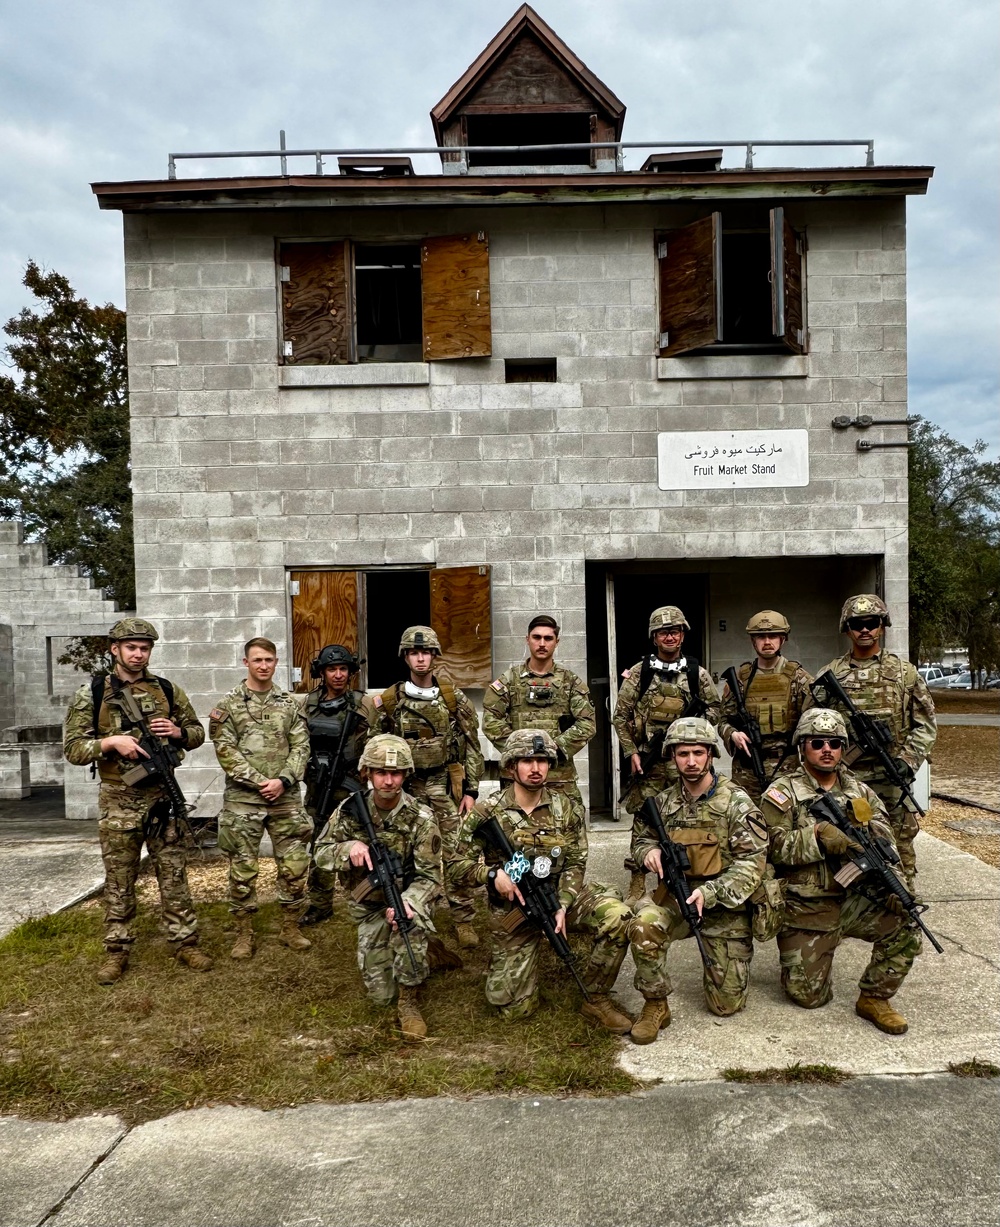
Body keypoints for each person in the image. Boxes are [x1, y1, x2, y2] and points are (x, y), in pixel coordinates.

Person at [449, 729, 633, 1032]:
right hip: (513, 911)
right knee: (513, 1009)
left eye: (542, 761)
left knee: (618, 916)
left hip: (557, 896)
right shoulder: (487, 811)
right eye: (527, 761)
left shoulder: (567, 807)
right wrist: (492, 875)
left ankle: (596, 996)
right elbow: (456, 866)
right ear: (511, 767)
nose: (536, 768)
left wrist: (563, 904)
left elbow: (576, 860)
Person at [63, 618, 213, 984]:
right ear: (114, 649)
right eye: (131, 647)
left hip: (162, 797)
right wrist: (110, 744)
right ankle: (117, 950)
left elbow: (197, 733)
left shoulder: (167, 689)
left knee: (174, 873)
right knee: (119, 877)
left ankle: (185, 942)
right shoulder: (93, 692)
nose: (138, 653)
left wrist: (178, 732)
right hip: (118, 799)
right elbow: (72, 749)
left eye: (144, 648)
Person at [761, 708, 923, 1034]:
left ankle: (875, 997)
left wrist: (899, 887)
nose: (827, 750)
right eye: (817, 742)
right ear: (802, 747)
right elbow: (768, 848)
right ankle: (813, 955)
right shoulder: (782, 793)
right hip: (807, 906)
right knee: (809, 997)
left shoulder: (861, 792)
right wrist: (816, 837)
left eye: (834, 743)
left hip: (854, 900)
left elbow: (886, 844)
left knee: (907, 921)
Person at [626, 717, 766, 1044]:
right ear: (672, 757)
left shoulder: (736, 802)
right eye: (682, 754)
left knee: (725, 1004)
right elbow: (640, 840)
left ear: (712, 755)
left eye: (698, 753)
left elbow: (752, 863)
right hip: (676, 897)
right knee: (643, 924)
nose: (691, 761)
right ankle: (655, 1003)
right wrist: (648, 853)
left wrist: (710, 893)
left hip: (723, 904)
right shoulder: (661, 803)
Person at [314, 734, 441, 1041]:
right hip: (368, 906)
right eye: (380, 772)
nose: (388, 781)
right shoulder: (348, 810)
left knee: (406, 927)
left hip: (407, 901)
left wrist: (409, 902)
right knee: (379, 997)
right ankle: (434, 954)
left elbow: (431, 878)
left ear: (405, 775)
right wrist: (349, 849)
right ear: (367, 773)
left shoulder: (421, 818)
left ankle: (409, 1002)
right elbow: (319, 853)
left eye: (395, 773)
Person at [810, 594, 937, 889]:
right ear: (847, 628)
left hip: (891, 779)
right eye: (857, 624)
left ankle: (904, 905)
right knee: (846, 843)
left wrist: (906, 761)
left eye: (871, 623)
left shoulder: (905, 674)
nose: (864, 629)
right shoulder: (832, 675)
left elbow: (925, 725)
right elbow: (813, 725)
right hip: (844, 778)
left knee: (899, 844)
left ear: (882, 626)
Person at [369, 626, 484, 949]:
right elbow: (375, 747)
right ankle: (415, 915)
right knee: (408, 856)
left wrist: (471, 791)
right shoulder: (391, 700)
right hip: (406, 789)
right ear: (405, 656)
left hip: (444, 786)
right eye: (414, 653)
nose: (420, 658)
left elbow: (473, 746)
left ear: (434, 656)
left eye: (426, 652)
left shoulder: (452, 698)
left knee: (456, 853)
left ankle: (463, 917)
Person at [209, 637, 312, 959]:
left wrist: (282, 781)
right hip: (244, 801)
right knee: (242, 869)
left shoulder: (289, 703)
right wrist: (260, 782)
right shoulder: (228, 705)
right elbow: (226, 751)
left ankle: (290, 927)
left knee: (294, 866)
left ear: (276, 661)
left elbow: (302, 746)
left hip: (286, 799)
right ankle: (243, 933)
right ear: (246, 663)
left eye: (269, 660)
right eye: (257, 660)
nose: (264, 666)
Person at [613, 605, 721, 904]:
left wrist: (692, 733)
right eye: (663, 632)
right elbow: (620, 717)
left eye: (675, 631)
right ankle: (637, 878)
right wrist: (632, 752)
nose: (670, 636)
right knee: (644, 817)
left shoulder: (696, 672)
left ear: (683, 635)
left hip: (684, 761)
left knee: (689, 816)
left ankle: (688, 872)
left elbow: (715, 711)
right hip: (650, 760)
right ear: (654, 637)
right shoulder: (640, 672)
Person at [482, 614, 596, 825]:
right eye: (536, 637)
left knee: (569, 832)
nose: (542, 643)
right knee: (513, 834)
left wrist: (554, 749)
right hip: (517, 777)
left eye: (548, 638)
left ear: (557, 642)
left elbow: (587, 723)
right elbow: (491, 721)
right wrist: (521, 750)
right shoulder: (510, 681)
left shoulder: (570, 682)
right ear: (527, 639)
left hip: (559, 776)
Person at [301, 644, 372, 925]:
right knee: (320, 843)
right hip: (320, 787)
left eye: (343, 669)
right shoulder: (307, 704)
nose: (338, 675)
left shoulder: (364, 704)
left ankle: (369, 898)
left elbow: (377, 742)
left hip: (354, 785)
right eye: (332, 669)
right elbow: (297, 743)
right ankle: (320, 903)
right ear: (322, 672)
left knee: (364, 844)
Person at [718, 610, 813, 801]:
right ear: (753, 641)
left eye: (773, 636)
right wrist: (733, 734)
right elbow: (722, 720)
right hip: (747, 767)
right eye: (761, 636)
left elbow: (813, 720)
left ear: (783, 639)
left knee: (784, 819)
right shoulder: (740, 679)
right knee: (747, 820)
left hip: (786, 765)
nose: (767, 641)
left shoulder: (798, 677)